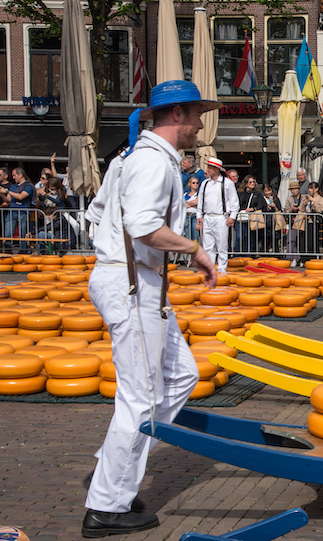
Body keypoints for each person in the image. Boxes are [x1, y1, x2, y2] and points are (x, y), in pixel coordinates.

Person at [81, 79, 218, 536]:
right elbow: (141, 225)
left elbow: (98, 212)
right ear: (176, 115)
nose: (200, 123)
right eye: (196, 114)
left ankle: (113, 462)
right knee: (138, 398)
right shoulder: (152, 164)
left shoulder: (130, 159)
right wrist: (193, 249)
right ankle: (107, 505)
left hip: (137, 282)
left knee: (181, 376)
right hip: (132, 285)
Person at [196, 157, 239, 274]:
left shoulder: (227, 183)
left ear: (216, 169)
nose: (208, 170)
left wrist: (232, 216)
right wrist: (198, 216)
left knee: (221, 245)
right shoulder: (205, 183)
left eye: (210, 167)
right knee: (207, 245)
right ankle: (209, 269)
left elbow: (234, 202)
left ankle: (221, 269)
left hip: (221, 217)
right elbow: (201, 201)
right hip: (207, 217)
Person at [1, 167, 35, 253]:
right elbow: (8, 200)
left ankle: (22, 254)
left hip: (23, 213)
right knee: (7, 235)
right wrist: (2, 194)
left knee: (23, 235)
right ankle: (8, 253)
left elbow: (21, 196)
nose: (13, 178)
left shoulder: (28, 186)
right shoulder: (13, 186)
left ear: (20, 175)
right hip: (11, 213)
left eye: (14, 175)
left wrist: (7, 191)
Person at [236, 175, 266, 255]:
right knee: (240, 236)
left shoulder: (257, 193)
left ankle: (249, 255)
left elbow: (260, 205)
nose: (252, 183)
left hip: (252, 216)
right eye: (250, 182)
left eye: (253, 182)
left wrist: (252, 209)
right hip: (241, 215)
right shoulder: (240, 193)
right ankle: (238, 254)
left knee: (250, 237)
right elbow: (236, 204)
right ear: (246, 183)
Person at [301, 181, 323, 261]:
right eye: (309, 188)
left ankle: (314, 257)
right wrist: (304, 204)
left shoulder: (320, 199)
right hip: (306, 221)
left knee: (313, 240)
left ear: (316, 189)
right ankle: (305, 259)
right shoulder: (308, 198)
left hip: (314, 221)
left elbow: (320, 209)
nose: (310, 190)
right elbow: (302, 210)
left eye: (311, 188)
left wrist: (314, 201)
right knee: (305, 240)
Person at [284, 180, 304, 266]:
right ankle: (293, 258)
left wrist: (301, 208)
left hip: (301, 221)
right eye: (292, 189)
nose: (294, 190)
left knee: (300, 240)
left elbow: (306, 209)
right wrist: (291, 210)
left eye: (296, 189)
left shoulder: (303, 198)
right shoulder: (289, 199)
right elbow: (285, 210)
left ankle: (301, 259)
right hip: (292, 221)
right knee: (291, 240)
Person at [261, 183, 282, 253]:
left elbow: (280, 210)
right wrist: (266, 208)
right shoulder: (262, 199)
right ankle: (264, 254)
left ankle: (276, 254)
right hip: (265, 222)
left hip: (275, 222)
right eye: (266, 191)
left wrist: (275, 207)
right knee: (265, 239)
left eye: (269, 190)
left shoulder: (276, 198)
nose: (268, 193)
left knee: (275, 239)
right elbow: (260, 209)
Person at [183, 177, 200, 243]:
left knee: (195, 237)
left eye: (197, 183)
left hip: (194, 216)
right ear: (190, 184)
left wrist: (186, 203)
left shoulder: (199, 194)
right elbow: (182, 205)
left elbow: (196, 202)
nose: (195, 184)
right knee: (187, 236)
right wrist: (191, 203)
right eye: (193, 183)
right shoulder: (185, 194)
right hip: (186, 216)